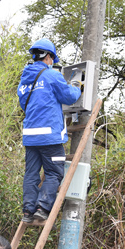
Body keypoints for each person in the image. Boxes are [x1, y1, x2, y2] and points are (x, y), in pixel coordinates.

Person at [17, 38, 82, 223]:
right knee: (54, 173)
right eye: (52, 58)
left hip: (30, 137)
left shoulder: (23, 81)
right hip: (50, 137)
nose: (52, 62)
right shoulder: (51, 75)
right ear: (48, 57)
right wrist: (76, 86)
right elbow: (69, 96)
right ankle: (42, 207)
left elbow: (26, 105)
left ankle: (28, 211)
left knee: (31, 173)